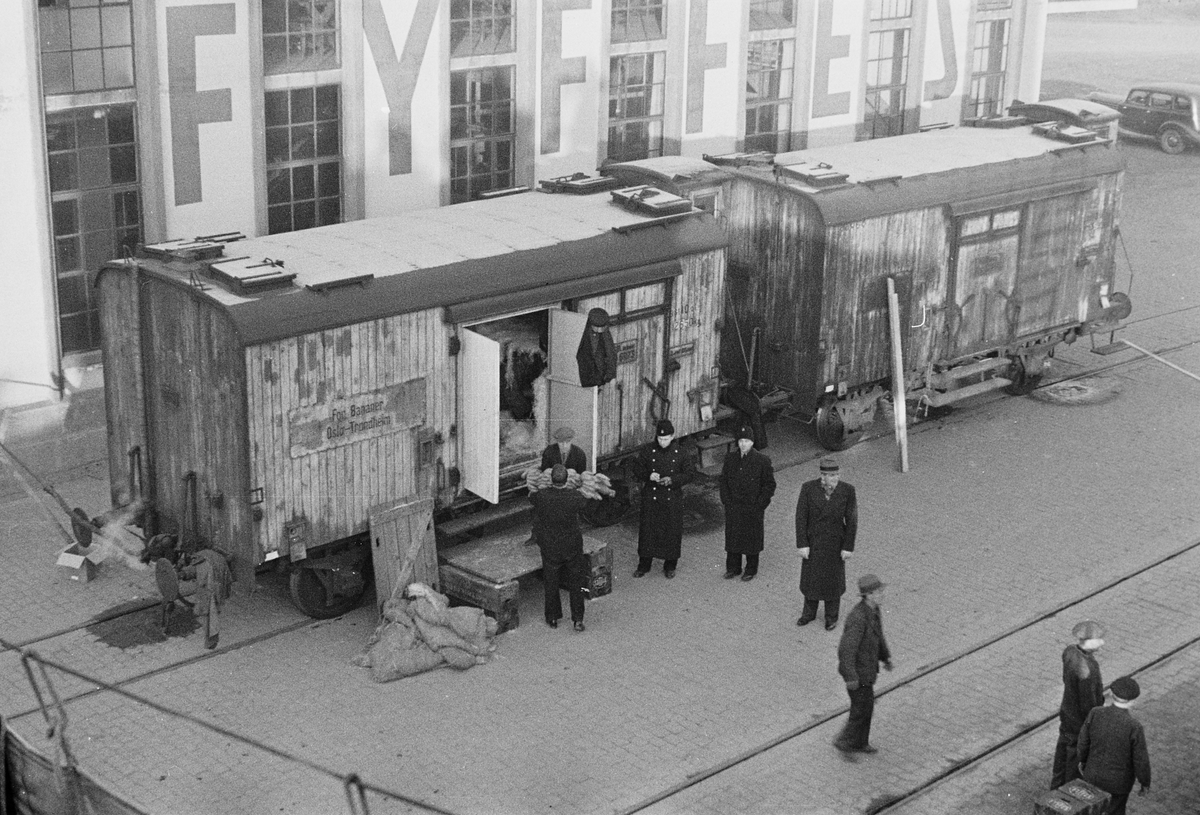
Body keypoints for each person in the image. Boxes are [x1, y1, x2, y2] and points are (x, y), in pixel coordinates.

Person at [795, 457, 857, 630]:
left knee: (832, 582)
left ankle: (831, 617)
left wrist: (848, 547)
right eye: (831, 475)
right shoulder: (808, 489)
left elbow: (852, 521)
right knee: (811, 580)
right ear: (822, 476)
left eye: (836, 475)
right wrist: (802, 544)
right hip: (814, 542)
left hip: (835, 544)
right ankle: (809, 613)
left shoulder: (848, 490)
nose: (835, 478)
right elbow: (801, 517)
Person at [834, 574, 892, 754]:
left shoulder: (874, 610)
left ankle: (860, 743)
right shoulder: (858, 618)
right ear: (869, 595)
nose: (882, 594)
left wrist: (885, 657)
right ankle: (844, 742)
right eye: (879, 592)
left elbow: (878, 637)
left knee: (867, 708)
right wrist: (850, 677)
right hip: (858, 675)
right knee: (860, 710)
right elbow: (846, 650)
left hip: (867, 671)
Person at [631, 418, 696, 579]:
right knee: (648, 532)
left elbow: (689, 474)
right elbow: (637, 468)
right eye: (660, 439)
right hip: (651, 497)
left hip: (671, 498)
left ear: (672, 436)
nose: (662, 442)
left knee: (671, 532)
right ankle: (644, 565)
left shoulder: (681, 452)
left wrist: (672, 480)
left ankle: (670, 566)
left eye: (666, 439)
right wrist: (648, 475)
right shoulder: (648, 450)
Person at [1078, 676, 1152, 815]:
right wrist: (1145, 782)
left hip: (1092, 776)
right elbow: (1141, 760)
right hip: (1118, 785)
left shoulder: (1095, 713)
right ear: (1132, 701)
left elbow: (1083, 743)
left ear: (1111, 694)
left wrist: (1083, 762)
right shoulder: (1134, 727)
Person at [529, 464, 590, 632]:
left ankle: (553, 618)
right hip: (571, 545)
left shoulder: (542, 496)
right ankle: (578, 620)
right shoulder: (575, 497)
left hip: (550, 546)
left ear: (551, 479)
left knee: (551, 582)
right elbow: (585, 502)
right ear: (566, 480)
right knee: (576, 582)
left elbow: (532, 497)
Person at [1052, 619, 1107, 788]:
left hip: (1067, 712)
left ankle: (1055, 786)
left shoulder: (1069, 652)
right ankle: (1067, 792)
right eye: (1098, 639)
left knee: (1062, 754)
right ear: (1087, 641)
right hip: (1079, 723)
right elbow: (1089, 704)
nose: (1102, 643)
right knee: (1074, 760)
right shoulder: (1087, 671)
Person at [719, 424, 776, 582]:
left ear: (752, 442)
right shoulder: (730, 459)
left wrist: (760, 505)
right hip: (734, 506)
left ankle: (751, 569)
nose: (743, 444)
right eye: (740, 441)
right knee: (733, 538)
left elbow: (769, 485)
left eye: (746, 441)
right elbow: (723, 481)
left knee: (752, 540)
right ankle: (733, 568)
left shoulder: (762, 461)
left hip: (752, 508)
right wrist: (726, 501)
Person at [178, 547, 233, 650]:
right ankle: (211, 639)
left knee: (210, 613)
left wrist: (183, 574)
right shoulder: (202, 560)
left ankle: (211, 641)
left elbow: (201, 581)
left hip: (210, 589)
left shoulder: (203, 567)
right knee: (209, 612)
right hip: (213, 582)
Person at [576, 307, 618, 387]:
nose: (599, 331)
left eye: (601, 328)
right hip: (585, 374)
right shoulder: (582, 333)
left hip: (598, 375)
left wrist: (610, 375)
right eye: (597, 328)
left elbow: (611, 353)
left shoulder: (605, 334)